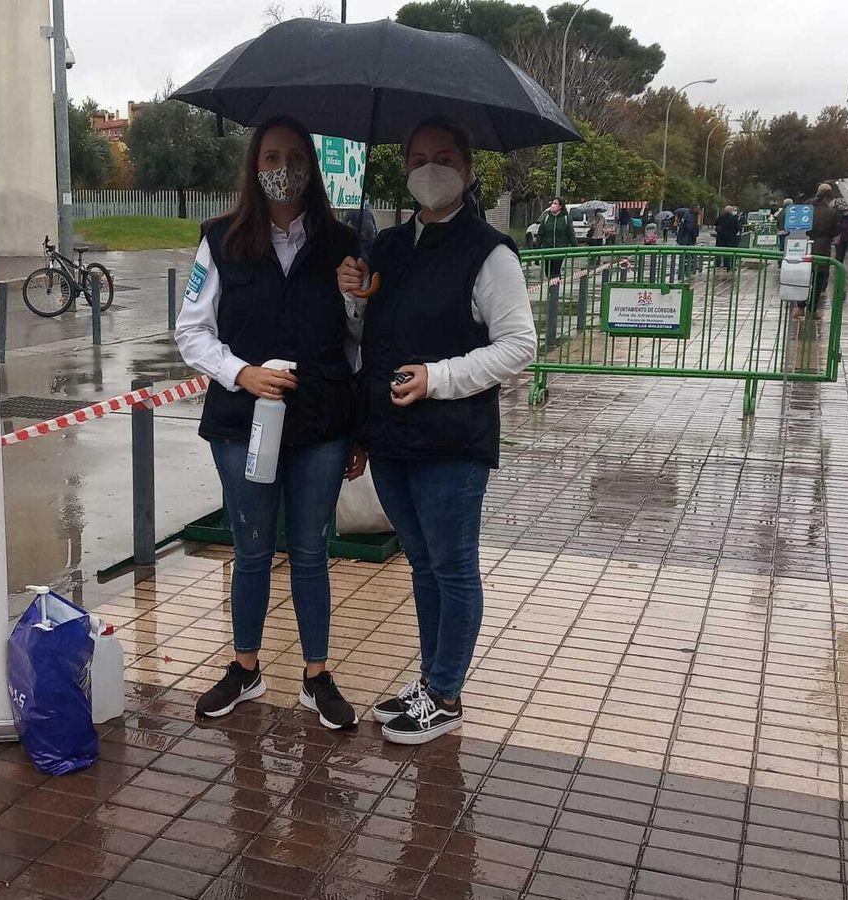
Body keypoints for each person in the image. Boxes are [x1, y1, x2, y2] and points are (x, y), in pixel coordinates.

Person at [336, 117, 537, 744]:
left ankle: (447, 693)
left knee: (452, 566)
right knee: (420, 563)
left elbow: (518, 346)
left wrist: (438, 377)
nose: (430, 169)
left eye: (444, 157)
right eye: (418, 157)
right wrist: (354, 297)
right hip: (391, 438)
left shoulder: (490, 252)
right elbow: (365, 337)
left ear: (468, 169)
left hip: (452, 442)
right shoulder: (388, 247)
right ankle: (429, 682)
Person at [174, 115, 364, 729]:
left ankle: (316, 676)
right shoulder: (221, 239)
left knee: (310, 550)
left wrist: (357, 297)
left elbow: (360, 341)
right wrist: (241, 372)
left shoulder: (344, 240)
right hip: (242, 422)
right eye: (270, 157)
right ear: (253, 168)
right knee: (252, 549)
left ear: (311, 166)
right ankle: (245, 667)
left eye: (294, 156)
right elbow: (192, 332)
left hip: (321, 422)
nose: (282, 168)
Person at [807, 183, 838, 314]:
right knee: (818, 279)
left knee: (804, 277)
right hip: (823, 247)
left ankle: (800, 306)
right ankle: (812, 308)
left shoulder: (806, 208)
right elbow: (834, 232)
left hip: (805, 245)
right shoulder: (831, 212)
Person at [535, 197, 574, 279]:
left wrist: (576, 249)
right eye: (552, 203)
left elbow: (571, 235)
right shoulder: (546, 218)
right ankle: (551, 289)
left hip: (560, 250)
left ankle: (554, 290)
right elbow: (540, 235)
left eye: (555, 203)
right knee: (548, 272)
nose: (553, 205)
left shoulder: (566, 219)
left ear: (560, 206)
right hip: (547, 250)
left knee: (556, 272)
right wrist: (536, 251)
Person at [714, 205, 742, 270]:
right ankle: (727, 265)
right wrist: (733, 233)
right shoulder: (734, 218)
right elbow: (737, 228)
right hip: (730, 238)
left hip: (720, 237)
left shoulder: (720, 217)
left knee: (718, 251)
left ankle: (717, 265)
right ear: (730, 211)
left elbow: (716, 224)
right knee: (728, 252)